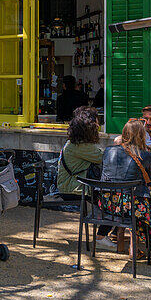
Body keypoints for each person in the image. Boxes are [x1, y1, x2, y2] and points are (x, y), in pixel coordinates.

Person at [100, 119, 151, 261]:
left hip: (108, 204)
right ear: (142, 135)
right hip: (133, 205)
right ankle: (140, 248)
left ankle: (133, 246)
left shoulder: (108, 151)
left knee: (139, 206)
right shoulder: (147, 155)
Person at [54, 107, 111, 249]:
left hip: (74, 184)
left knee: (111, 196)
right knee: (113, 199)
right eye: (97, 123)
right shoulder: (80, 146)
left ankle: (109, 230)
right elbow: (105, 158)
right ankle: (101, 237)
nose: (99, 126)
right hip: (73, 187)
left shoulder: (76, 143)